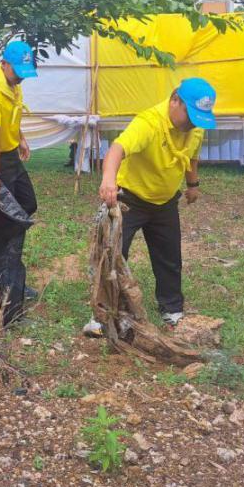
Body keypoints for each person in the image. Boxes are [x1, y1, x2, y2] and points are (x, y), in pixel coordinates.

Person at [84, 78, 217, 336]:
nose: (193, 123)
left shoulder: (195, 126)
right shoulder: (149, 122)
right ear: (175, 101)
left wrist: (193, 185)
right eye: (191, 116)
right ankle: (103, 315)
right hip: (130, 199)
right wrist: (108, 180)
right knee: (112, 255)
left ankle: (172, 309)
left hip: (165, 201)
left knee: (169, 257)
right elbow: (117, 149)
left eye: (198, 118)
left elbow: (191, 157)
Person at [0, 40, 39, 297]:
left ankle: (11, 273)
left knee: (26, 204)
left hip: (11, 155)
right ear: (3, 64)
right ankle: (1, 282)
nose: (21, 78)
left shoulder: (14, 84)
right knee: (4, 218)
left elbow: (13, 116)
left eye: (25, 73)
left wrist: (20, 138)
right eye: (18, 72)